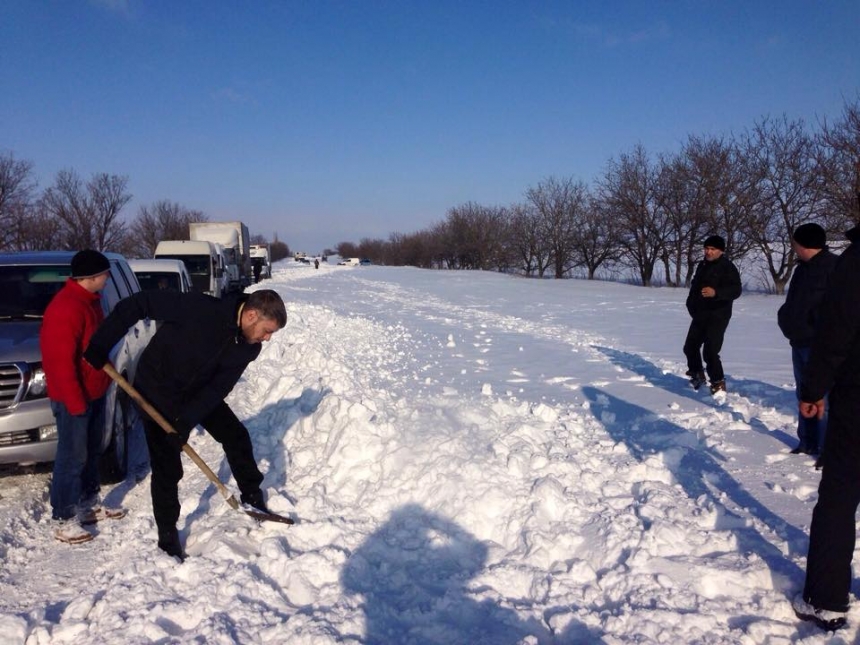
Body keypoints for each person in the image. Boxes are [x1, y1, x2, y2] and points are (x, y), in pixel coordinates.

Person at [83, 288, 287, 560]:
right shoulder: (199, 307)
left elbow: (218, 388)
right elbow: (141, 303)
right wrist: (101, 342)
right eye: (267, 330)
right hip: (156, 394)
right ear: (251, 315)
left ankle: (252, 494)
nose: (268, 338)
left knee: (235, 436)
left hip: (198, 393)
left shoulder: (249, 347)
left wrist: (185, 423)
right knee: (167, 467)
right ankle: (167, 536)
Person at [792, 223, 860, 631]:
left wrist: (814, 389)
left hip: (857, 399)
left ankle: (825, 599)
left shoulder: (854, 263)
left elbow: (836, 333)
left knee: (839, 494)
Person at [40, 250, 124, 544]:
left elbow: (94, 350)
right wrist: (75, 403)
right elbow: (60, 363)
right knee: (71, 457)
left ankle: (88, 504)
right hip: (74, 396)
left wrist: (110, 373)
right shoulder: (67, 309)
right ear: (90, 277)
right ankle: (63, 517)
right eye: (104, 273)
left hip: (95, 391)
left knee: (91, 450)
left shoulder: (90, 303)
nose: (108, 277)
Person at [777, 223, 838, 457]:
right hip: (799, 342)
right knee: (804, 394)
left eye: (795, 243)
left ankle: (826, 449)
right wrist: (785, 317)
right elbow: (794, 302)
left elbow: (837, 309)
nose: (794, 247)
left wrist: (816, 326)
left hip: (820, 345)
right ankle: (807, 442)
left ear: (804, 244)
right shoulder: (801, 268)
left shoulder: (834, 267)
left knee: (822, 397)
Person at [683, 235, 742, 394]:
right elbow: (694, 288)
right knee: (690, 347)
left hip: (718, 315)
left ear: (720, 251)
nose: (708, 252)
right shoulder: (702, 265)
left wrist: (716, 293)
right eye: (706, 248)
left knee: (710, 351)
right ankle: (697, 374)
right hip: (700, 313)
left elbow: (736, 290)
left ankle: (718, 382)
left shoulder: (727, 267)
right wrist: (690, 304)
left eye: (712, 249)